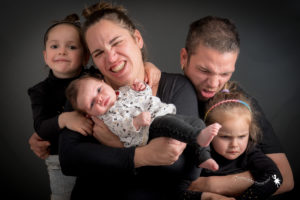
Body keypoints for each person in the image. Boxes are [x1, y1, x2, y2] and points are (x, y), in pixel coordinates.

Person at [58, 2, 204, 199]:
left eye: (117, 42)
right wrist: (144, 155)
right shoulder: (87, 93)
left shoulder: (177, 87)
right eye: (99, 53)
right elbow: (70, 160)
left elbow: (184, 169)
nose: (111, 58)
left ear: (137, 39)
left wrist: (117, 145)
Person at [179, 16, 294, 198]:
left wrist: (208, 185)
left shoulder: (239, 105)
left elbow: (284, 178)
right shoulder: (165, 91)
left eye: (225, 73)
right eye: (204, 70)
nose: (214, 83)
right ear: (184, 58)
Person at [65, 74, 221, 171]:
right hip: (148, 129)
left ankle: (203, 157)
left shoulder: (124, 91)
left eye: (99, 90)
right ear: (88, 114)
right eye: (92, 104)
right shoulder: (108, 117)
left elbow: (146, 97)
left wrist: (141, 88)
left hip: (161, 113)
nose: (99, 98)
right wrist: (136, 122)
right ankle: (197, 137)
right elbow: (122, 129)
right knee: (171, 124)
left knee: (196, 121)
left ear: (103, 82)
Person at [27, 14, 91, 200]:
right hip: (60, 160)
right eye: (55, 46)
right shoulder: (40, 91)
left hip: (96, 155)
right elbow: (41, 128)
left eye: (71, 47)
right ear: (46, 56)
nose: (62, 51)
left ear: (86, 56)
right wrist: (64, 119)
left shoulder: (94, 79)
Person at [196, 81, 282, 200]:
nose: (234, 145)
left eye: (242, 136)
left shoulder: (250, 152)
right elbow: (178, 189)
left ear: (249, 132)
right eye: (225, 137)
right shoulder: (200, 153)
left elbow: (275, 178)